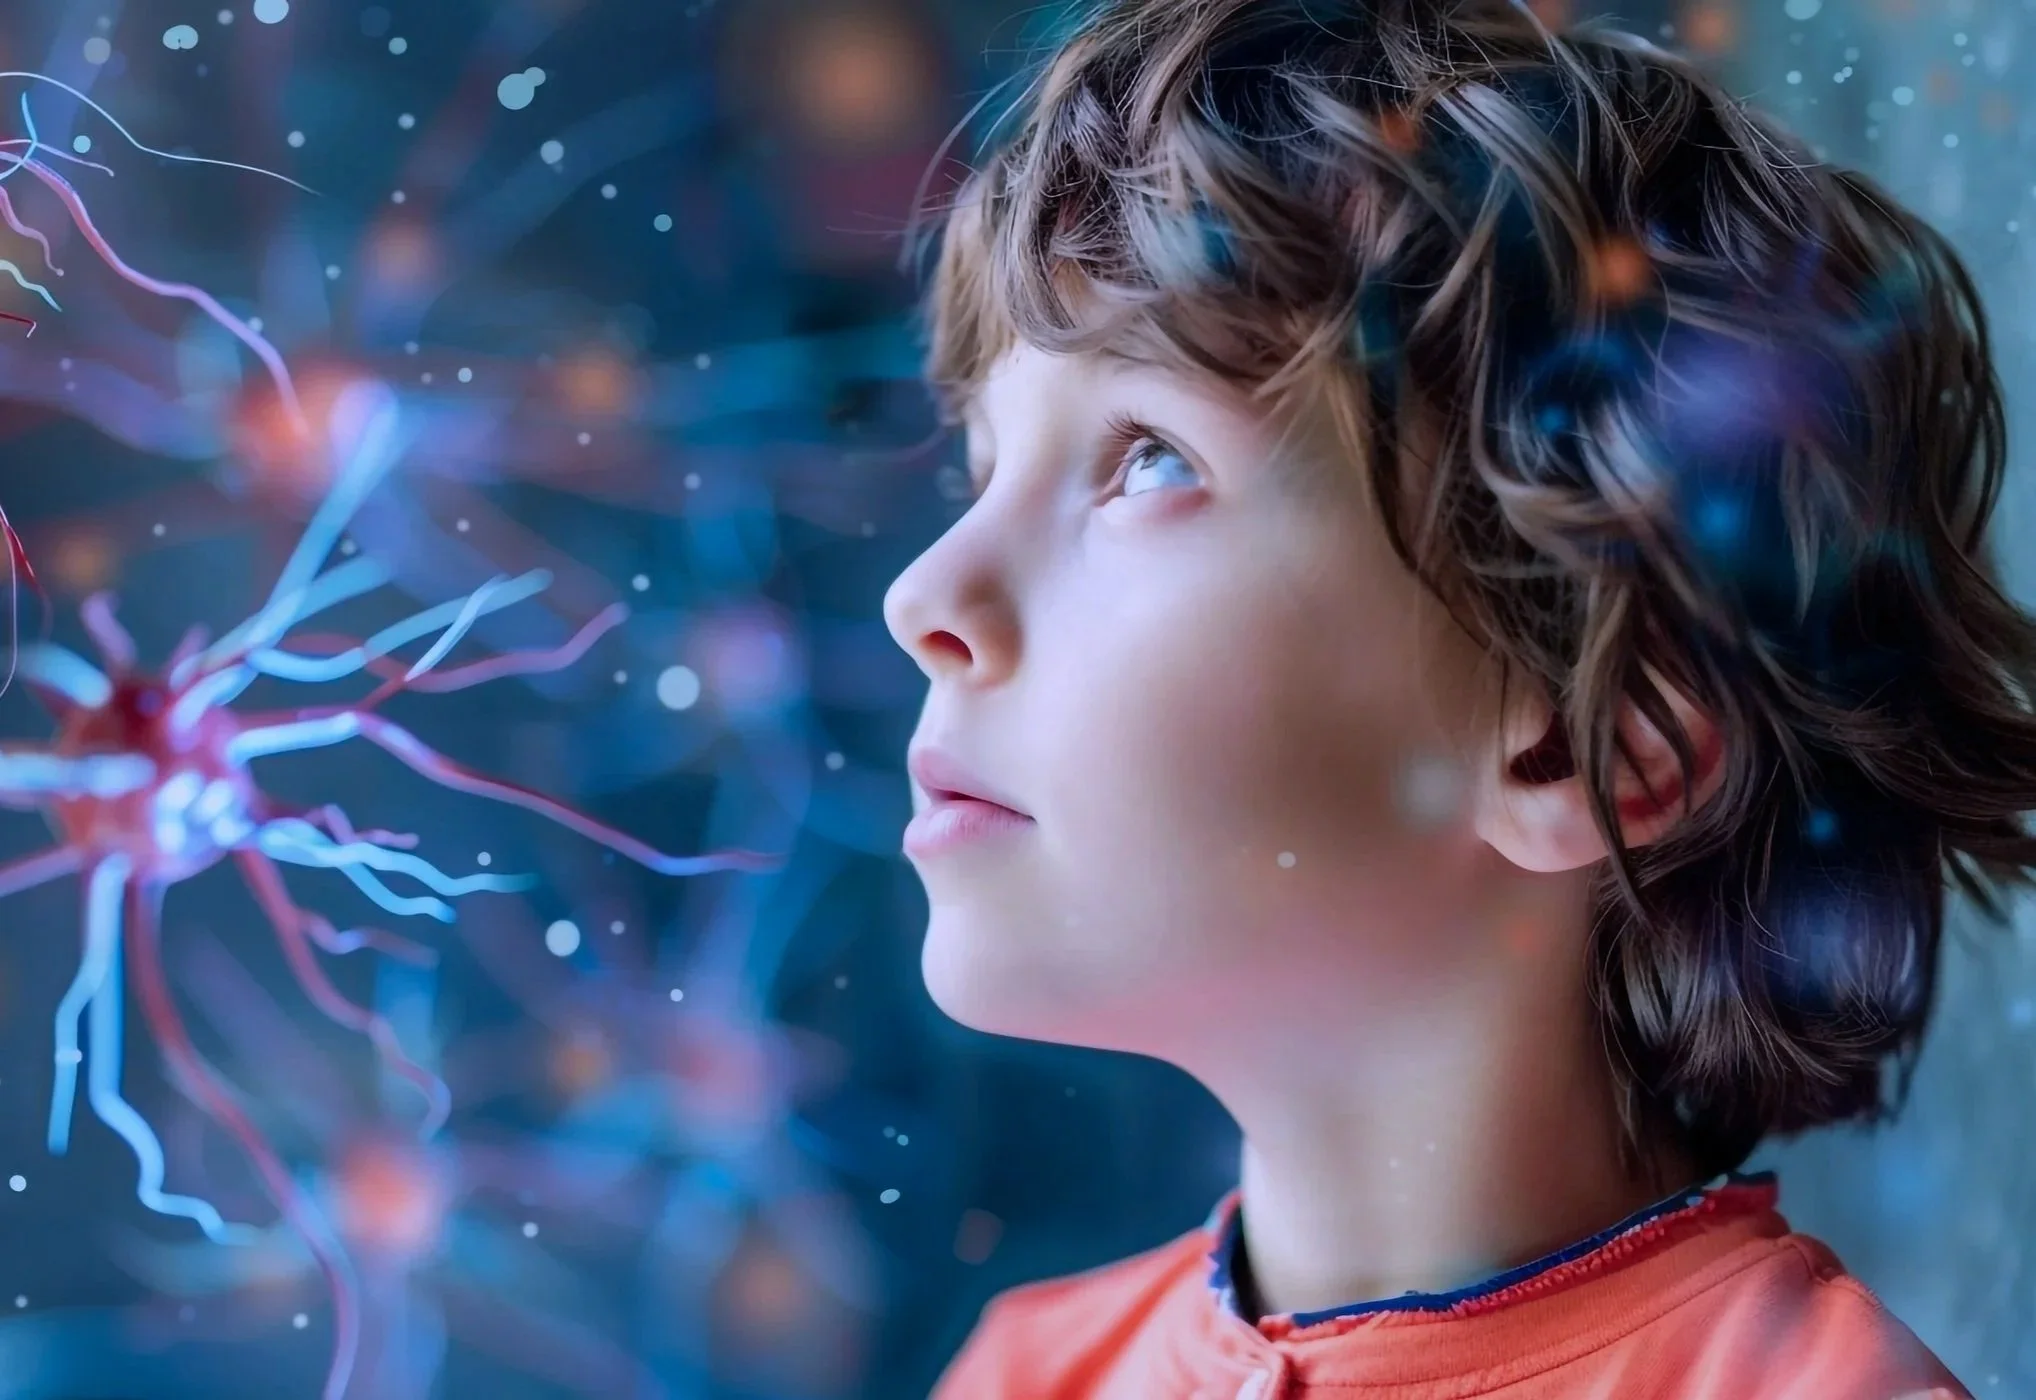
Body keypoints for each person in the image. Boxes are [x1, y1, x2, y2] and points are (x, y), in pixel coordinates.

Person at [882, 1, 2034, 1394]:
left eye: (1150, 459)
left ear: (1576, 742)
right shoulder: (1021, 1374)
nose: (924, 594)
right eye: (982, 464)